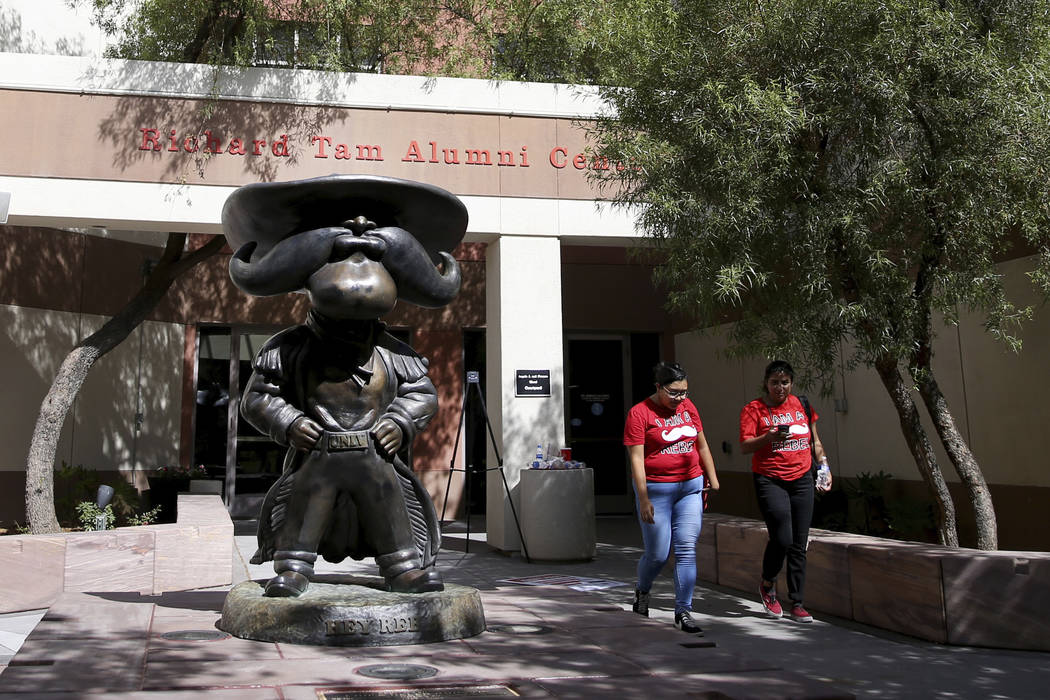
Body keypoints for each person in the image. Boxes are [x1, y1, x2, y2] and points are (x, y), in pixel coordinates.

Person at [623, 361, 720, 634]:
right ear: (658, 387)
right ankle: (642, 590)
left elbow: (701, 443)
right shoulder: (639, 413)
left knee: (686, 548)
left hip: (690, 486)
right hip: (656, 490)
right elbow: (637, 459)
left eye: (684, 392)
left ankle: (684, 610)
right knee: (658, 553)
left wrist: (712, 477)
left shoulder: (688, 408)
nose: (680, 398)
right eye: (674, 392)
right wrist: (643, 498)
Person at [740, 360, 831, 623]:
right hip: (770, 479)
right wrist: (768, 438)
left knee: (799, 542)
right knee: (782, 537)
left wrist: (823, 467)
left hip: (802, 478)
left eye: (784, 382)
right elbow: (745, 446)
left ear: (791, 382)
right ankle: (768, 584)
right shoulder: (753, 409)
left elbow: (815, 440)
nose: (780, 387)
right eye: (774, 382)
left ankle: (798, 602)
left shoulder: (802, 405)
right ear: (766, 383)